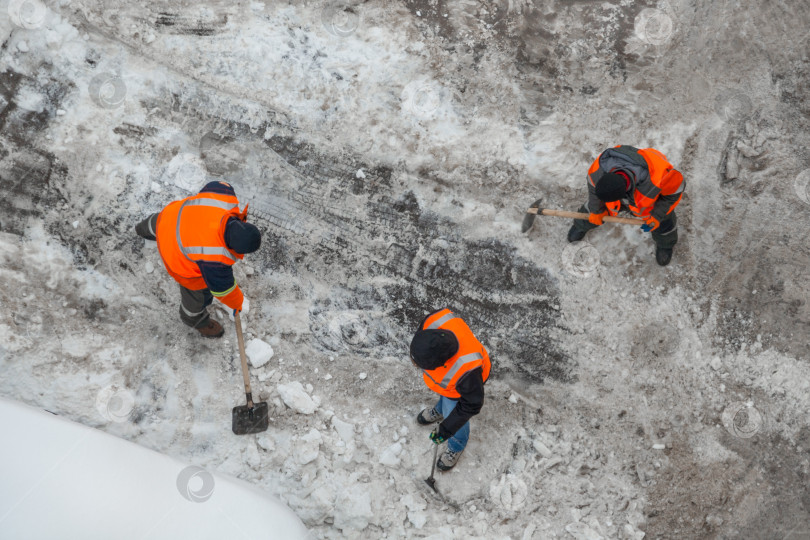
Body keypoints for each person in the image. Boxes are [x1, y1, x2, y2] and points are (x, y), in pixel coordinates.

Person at [135, 181, 260, 337]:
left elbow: (219, 185)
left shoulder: (225, 197)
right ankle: (193, 318)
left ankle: (141, 228)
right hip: (173, 253)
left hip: (171, 216)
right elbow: (223, 290)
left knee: (162, 222)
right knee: (198, 291)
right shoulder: (215, 258)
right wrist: (237, 303)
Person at [567, 145, 685, 266]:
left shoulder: (660, 178)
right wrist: (596, 210)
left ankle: (665, 243)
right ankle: (581, 225)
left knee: (664, 222)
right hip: (619, 192)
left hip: (650, 202)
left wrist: (657, 215)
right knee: (592, 208)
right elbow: (593, 189)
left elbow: (675, 192)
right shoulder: (599, 169)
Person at [410, 308, 490, 471]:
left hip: (467, 382)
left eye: (420, 364)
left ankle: (456, 445)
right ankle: (441, 410)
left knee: (455, 414)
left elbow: (471, 405)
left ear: (440, 362)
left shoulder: (466, 373)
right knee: (446, 399)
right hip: (451, 383)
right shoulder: (433, 322)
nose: (415, 365)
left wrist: (445, 430)